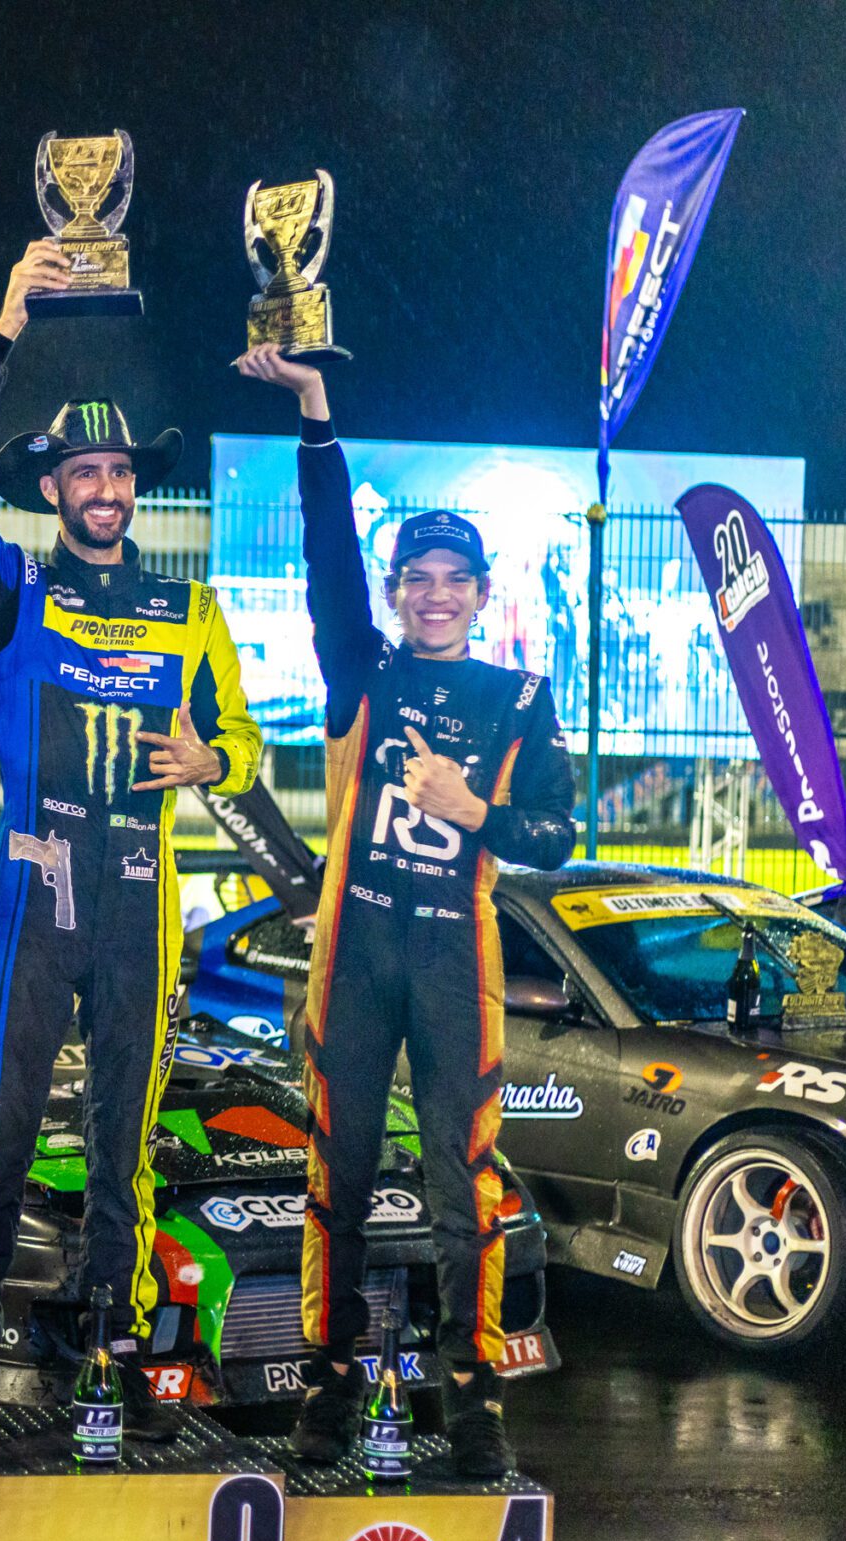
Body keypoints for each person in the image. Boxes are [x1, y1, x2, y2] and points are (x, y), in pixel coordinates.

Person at [0, 240, 264, 1449]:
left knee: (126, 1138)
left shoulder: (193, 608)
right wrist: (3, 326)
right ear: (54, 487)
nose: (103, 487)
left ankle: (107, 1339)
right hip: (32, 888)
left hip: (140, 900)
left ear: (136, 488)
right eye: (82, 471)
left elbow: (243, 741)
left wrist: (217, 764)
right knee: (0, 1129)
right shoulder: (11, 588)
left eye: (117, 471)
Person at [239, 342, 576, 1478]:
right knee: (333, 1178)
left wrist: (472, 807)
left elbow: (555, 834)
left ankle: (472, 1398)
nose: (434, 594)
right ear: (395, 594)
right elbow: (326, 551)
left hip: (451, 963)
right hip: (355, 953)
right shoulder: (363, 668)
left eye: (454, 579)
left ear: (481, 594)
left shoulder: (520, 696)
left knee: (460, 1187)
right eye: (416, 578)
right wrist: (315, 410)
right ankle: (327, 1383)